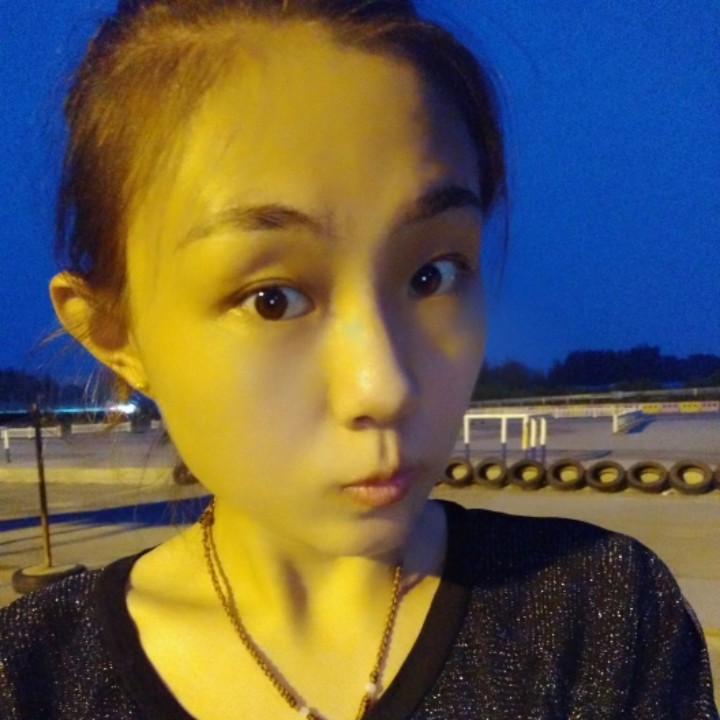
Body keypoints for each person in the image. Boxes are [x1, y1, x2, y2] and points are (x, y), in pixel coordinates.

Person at [0, 1, 716, 718]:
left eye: (432, 275)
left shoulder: (599, 621)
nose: (385, 386)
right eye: (273, 300)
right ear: (116, 334)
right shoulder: (33, 678)